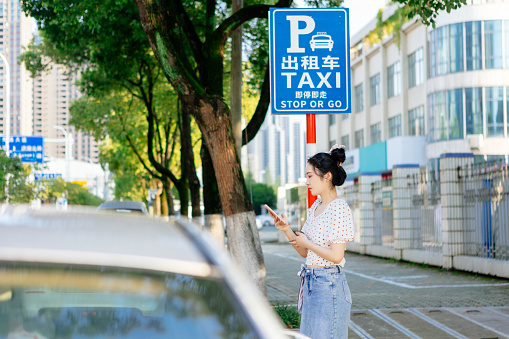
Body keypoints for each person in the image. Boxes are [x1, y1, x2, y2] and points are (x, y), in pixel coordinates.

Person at [267, 145, 354, 339]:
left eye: (310, 176)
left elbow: (336, 256)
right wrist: (286, 230)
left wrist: (307, 243)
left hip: (329, 284)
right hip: (311, 283)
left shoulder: (339, 208)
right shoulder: (316, 206)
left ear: (327, 176)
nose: (307, 182)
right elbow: (306, 252)